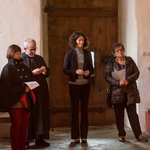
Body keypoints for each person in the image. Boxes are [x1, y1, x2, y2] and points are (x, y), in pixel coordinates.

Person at [105, 43, 148, 142]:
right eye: (117, 51)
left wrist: (128, 80)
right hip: (117, 93)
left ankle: (139, 135)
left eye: (121, 50)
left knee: (133, 115)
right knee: (119, 115)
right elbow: (107, 77)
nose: (120, 52)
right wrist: (117, 83)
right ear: (114, 53)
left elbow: (136, 72)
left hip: (130, 92)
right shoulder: (111, 63)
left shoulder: (130, 60)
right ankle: (121, 135)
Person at [0, 44, 35, 150]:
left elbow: (30, 78)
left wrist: (29, 86)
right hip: (15, 101)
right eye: (16, 53)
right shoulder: (8, 68)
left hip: (26, 100)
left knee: (24, 127)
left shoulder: (24, 67)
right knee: (16, 127)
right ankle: (16, 148)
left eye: (19, 53)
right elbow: (7, 87)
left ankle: (22, 147)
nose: (19, 55)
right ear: (11, 54)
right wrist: (23, 88)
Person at [63, 31, 94, 143]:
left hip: (85, 84)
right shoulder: (69, 54)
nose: (81, 42)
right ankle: (75, 136)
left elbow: (92, 69)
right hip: (74, 85)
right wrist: (75, 71)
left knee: (85, 111)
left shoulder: (87, 54)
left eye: (83, 40)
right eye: (79, 40)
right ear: (75, 41)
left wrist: (88, 72)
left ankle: (84, 135)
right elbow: (65, 70)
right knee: (74, 111)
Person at [21, 38, 50, 147]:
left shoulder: (39, 58)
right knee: (29, 115)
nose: (33, 51)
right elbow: (21, 76)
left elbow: (48, 72)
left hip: (41, 90)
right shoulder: (22, 59)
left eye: (35, 49)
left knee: (41, 114)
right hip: (29, 91)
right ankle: (26, 140)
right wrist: (32, 73)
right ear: (25, 49)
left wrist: (45, 71)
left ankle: (40, 139)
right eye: (31, 49)